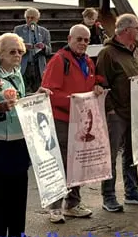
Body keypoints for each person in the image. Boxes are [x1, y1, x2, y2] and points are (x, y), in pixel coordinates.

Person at [0, 33, 46, 237]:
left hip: (19, 137)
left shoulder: (16, 73)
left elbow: (19, 100)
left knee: (19, 190)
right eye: (12, 51)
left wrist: (35, 96)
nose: (18, 55)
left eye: (20, 51)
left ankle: (17, 235)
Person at [41, 24, 102, 223]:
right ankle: (55, 207)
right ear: (69, 39)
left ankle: (73, 204)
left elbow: (90, 81)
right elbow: (49, 92)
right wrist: (74, 101)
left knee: (78, 162)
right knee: (60, 163)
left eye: (86, 40)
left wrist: (98, 84)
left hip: (80, 120)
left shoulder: (87, 61)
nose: (83, 43)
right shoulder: (59, 60)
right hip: (62, 119)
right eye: (79, 39)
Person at [97, 14, 138, 211]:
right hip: (117, 113)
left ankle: (131, 191)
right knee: (110, 155)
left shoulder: (134, 51)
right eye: (137, 28)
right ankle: (108, 196)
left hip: (134, 111)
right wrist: (110, 109)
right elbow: (101, 83)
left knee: (132, 153)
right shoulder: (107, 53)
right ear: (127, 30)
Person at [13, 8, 52, 94]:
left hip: (38, 66)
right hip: (24, 65)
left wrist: (43, 47)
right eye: (27, 17)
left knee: (39, 91)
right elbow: (12, 47)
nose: (29, 20)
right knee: (23, 91)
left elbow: (49, 51)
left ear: (37, 19)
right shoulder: (18, 30)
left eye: (32, 18)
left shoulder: (44, 32)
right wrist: (23, 47)